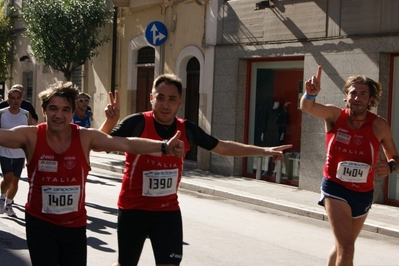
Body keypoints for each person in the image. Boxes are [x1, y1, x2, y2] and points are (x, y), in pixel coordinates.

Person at [100, 73, 292, 266]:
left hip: (167, 212)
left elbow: (223, 147)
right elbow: (99, 145)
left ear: (180, 102)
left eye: (171, 99)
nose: (165, 105)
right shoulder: (137, 123)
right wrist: (110, 122)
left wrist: (264, 151)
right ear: (151, 98)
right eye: (160, 98)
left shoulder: (187, 129)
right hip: (134, 210)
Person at [0, 81, 184, 266]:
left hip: (74, 226)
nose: (59, 115)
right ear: (44, 110)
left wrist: (163, 146)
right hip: (40, 224)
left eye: (65, 110)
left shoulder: (85, 137)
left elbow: (126, 143)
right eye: (53, 108)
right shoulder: (30, 136)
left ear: (72, 113)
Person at [300, 66, 399, 266]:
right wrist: (309, 96)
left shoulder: (380, 125)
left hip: (363, 192)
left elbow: (395, 158)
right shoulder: (335, 116)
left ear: (370, 100)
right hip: (334, 187)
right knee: (347, 247)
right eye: (353, 93)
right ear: (346, 96)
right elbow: (307, 108)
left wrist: (389, 167)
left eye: (363, 94)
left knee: (342, 246)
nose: (357, 98)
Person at [0, 88, 34, 217]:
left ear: (21, 100)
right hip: (4, 152)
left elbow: (30, 134)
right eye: (12, 98)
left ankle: (8, 205)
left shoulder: (26, 114)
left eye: (17, 98)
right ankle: (2, 198)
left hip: (20, 154)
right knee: (7, 178)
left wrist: (30, 155)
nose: (15, 101)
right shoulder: (1, 113)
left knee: (15, 181)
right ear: (8, 100)